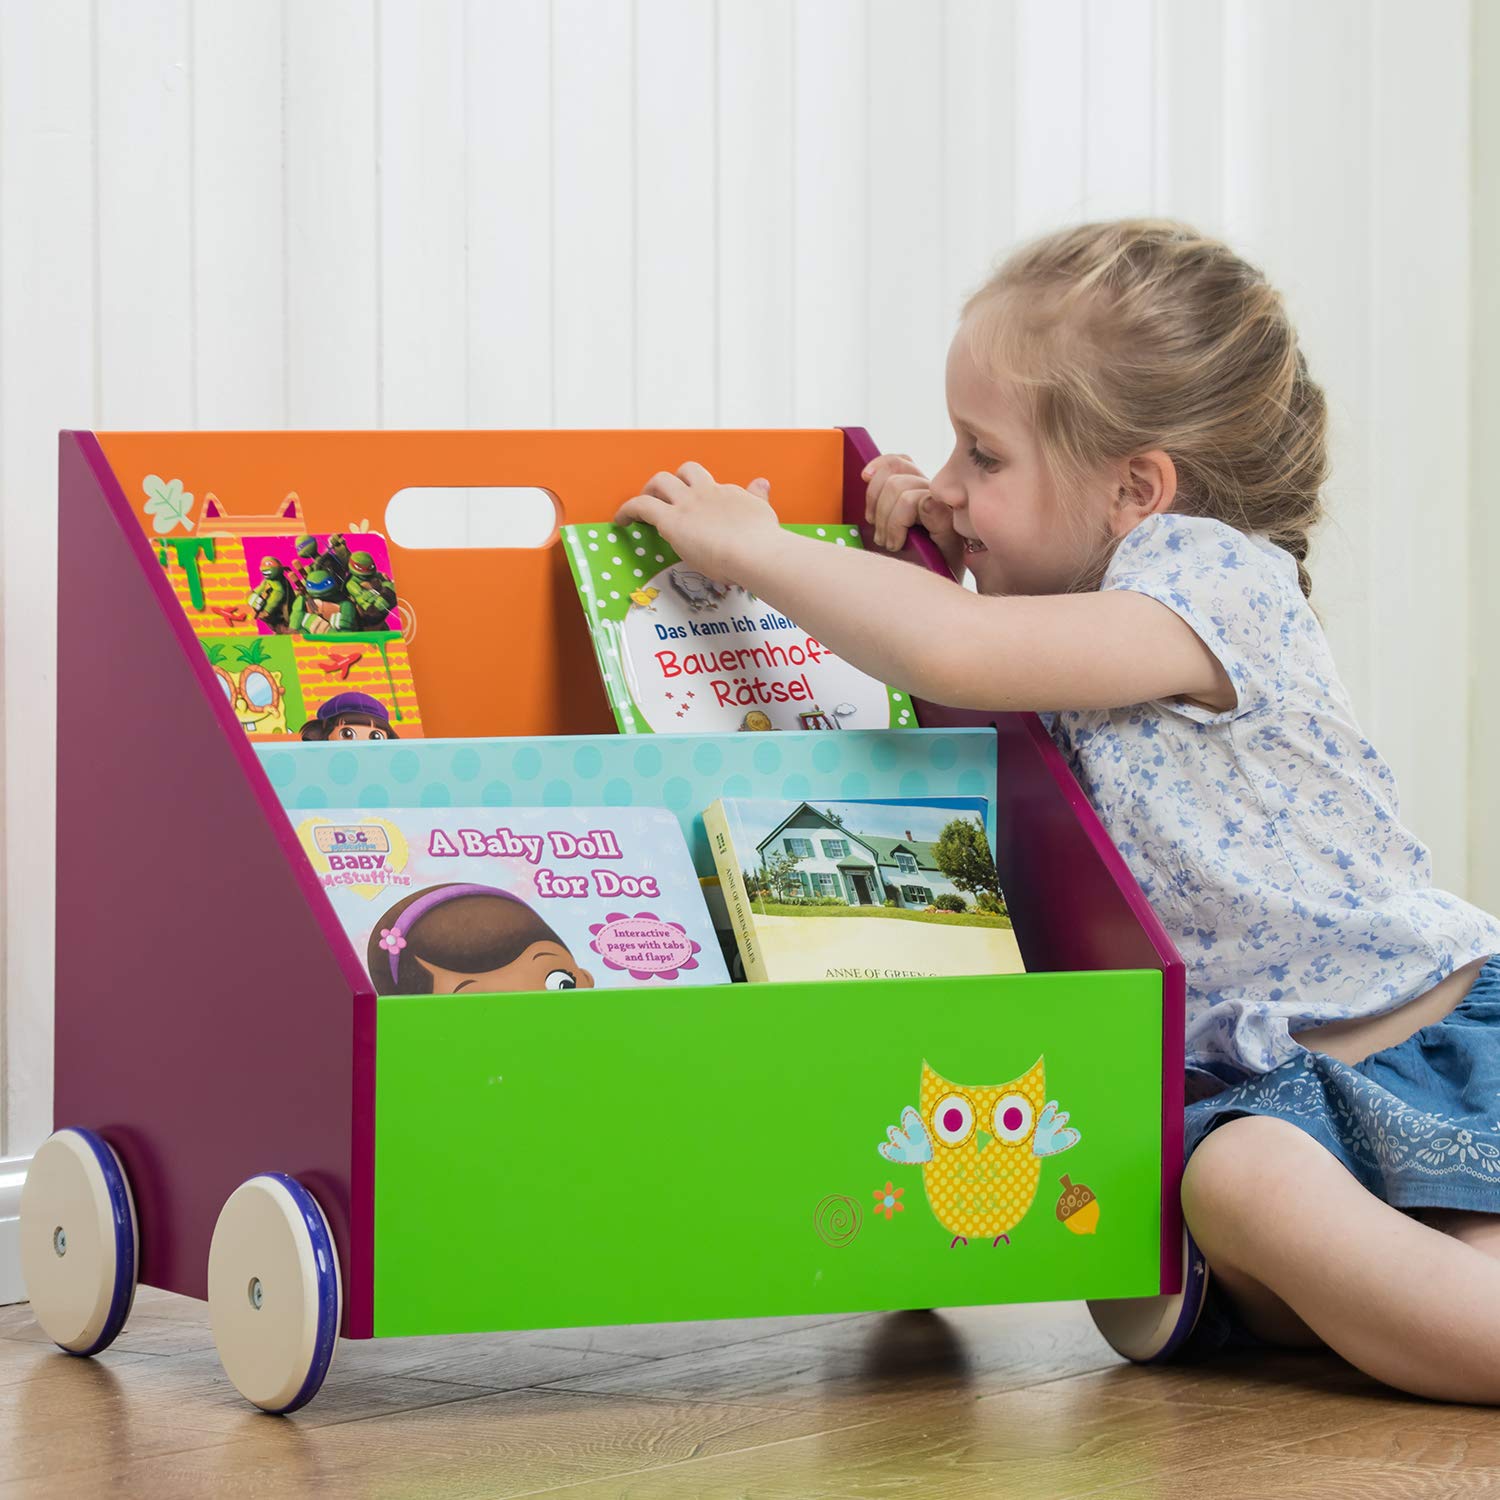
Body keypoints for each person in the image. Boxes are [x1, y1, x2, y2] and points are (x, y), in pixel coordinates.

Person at [617, 219, 1500, 1405]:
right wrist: (941, 530)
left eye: (983, 454)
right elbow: (974, 652)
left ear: (1140, 491)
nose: (949, 480)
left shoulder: (1215, 578)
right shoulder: (1085, 610)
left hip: (1426, 1043)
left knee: (1394, 1244)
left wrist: (765, 553)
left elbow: (963, 648)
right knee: (1234, 1187)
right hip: (1263, 1109)